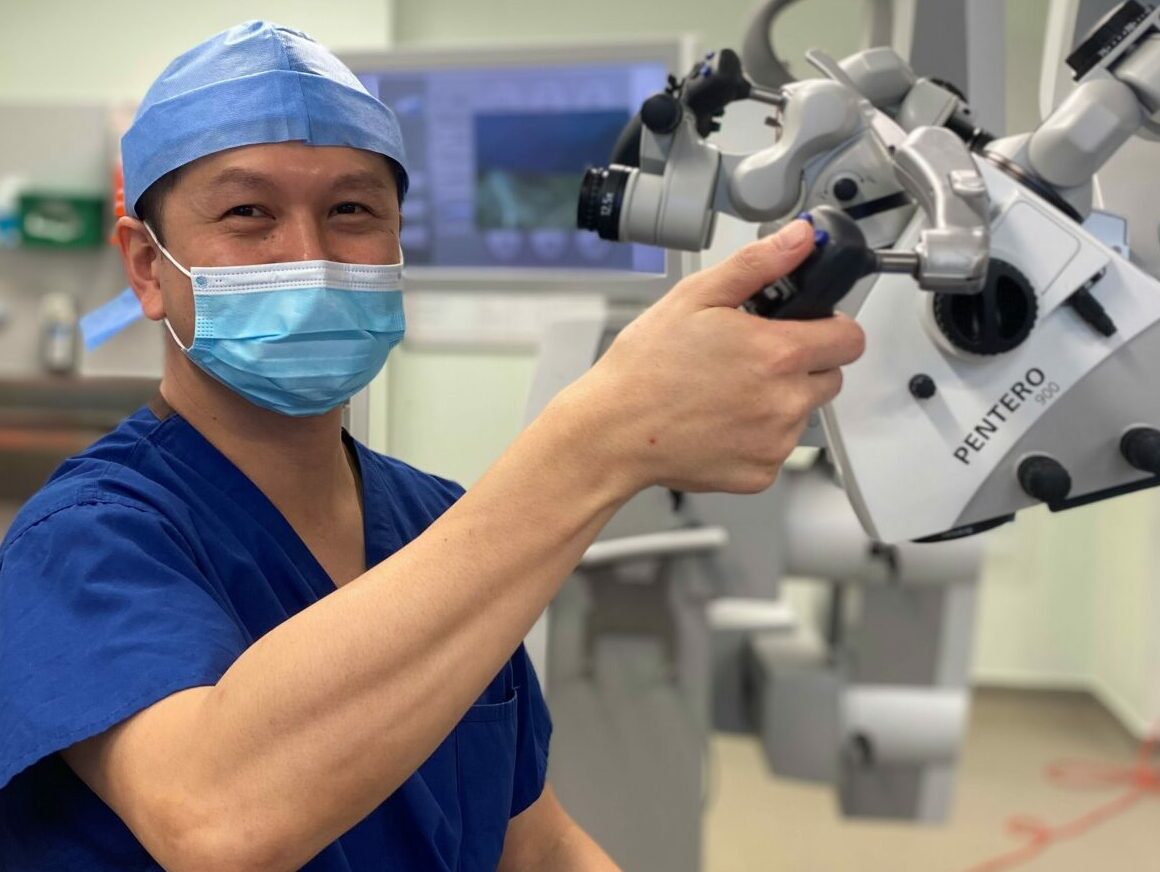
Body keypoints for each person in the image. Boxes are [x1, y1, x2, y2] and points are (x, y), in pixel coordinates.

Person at [0, 21, 864, 872]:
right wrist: (597, 441)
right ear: (148, 268)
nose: (309, 256)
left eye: (351, 211)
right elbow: (217, 820)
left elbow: (532, 844)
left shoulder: (436, 524)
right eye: (248, 213)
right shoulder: (85, 540)